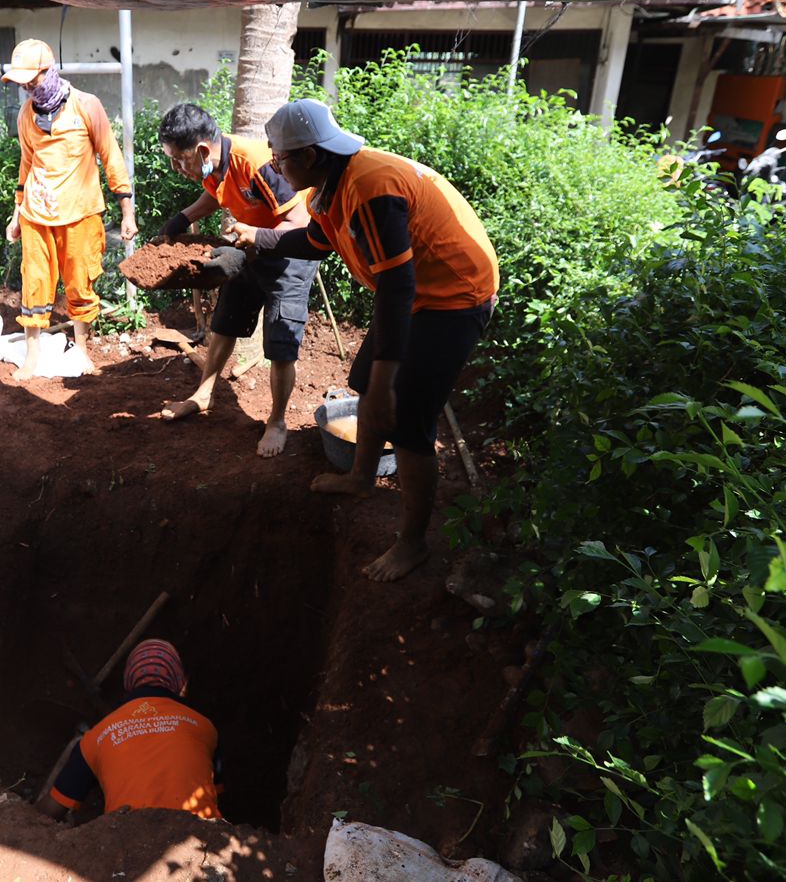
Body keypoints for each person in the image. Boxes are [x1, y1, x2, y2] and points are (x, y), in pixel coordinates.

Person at [229, 99, 500, 582]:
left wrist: (389, 371)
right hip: (418, 296)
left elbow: (399, 286)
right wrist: (257, 239)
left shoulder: (372, 188)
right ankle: (360, 478)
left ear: (310, 156)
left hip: (455, 296)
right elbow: (316, 241)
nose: (274, 166)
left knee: (409, 419)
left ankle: (412, 545)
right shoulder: (328, 188)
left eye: (280, 158)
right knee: (365, 383)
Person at [153, 102, 318, 457]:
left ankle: (276, 421)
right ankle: (203, 394)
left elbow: (300, 225)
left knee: (280, 345)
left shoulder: (258, 163)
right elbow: (217, 194)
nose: (176, 168)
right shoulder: (213, 163)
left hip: (289, 255)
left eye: (179, 159)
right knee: (225, 322)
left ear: (201, 150)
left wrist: (248, 248)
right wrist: (181, 220)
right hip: (250, 245)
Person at [2, 39, 138, 379]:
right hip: (36, 214)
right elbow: (26, 164)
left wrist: (127, 211)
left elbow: (111, 156)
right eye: (23, 82)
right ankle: (32, 356)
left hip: (81, 215)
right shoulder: (25, 115)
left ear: (49, 71)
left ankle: (81, 350)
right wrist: (17, 213)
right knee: (33, 282)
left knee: (80, 283)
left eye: (32, 79)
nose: (28, 87)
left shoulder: (86, 106)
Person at [37, 639, 222, 821]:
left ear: (128, 681)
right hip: (201, 841)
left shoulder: (95, 739)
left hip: (127, 843)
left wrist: (22, 815)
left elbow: (51, 810)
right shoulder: (205, 727)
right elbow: (215, 794)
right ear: (179, 682)